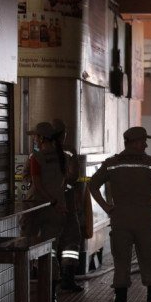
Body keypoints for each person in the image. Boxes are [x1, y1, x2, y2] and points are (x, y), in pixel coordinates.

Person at [89, 127, 151, 302]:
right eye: (143, 141)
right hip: (144, 219)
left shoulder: (112, 164)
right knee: (148, 259)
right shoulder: (149, 164)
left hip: (120, 218)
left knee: (121, 261)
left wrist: (107, 207)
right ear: (133, 142)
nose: (146, 144)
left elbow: (92, 185)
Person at [24, 121, 67, 302]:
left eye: (35, 136)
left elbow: (37, 184)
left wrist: (49, 199)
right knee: (51, 250)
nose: (34, 139)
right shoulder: (63, 156)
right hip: (58, 209)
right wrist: (56, 201)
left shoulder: (37, 157)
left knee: (26, 247)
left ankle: (25, 293)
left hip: (36, 207)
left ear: (41, 138)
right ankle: (51, 298)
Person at [51, 119, 84, 292]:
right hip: (66, 203)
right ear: (63, 134)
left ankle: (49, 280)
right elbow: (74, 176)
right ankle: (67, 278)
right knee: (71, 240)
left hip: (47, 204)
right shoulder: (69, 151)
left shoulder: (38, 151)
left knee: (50, 241)